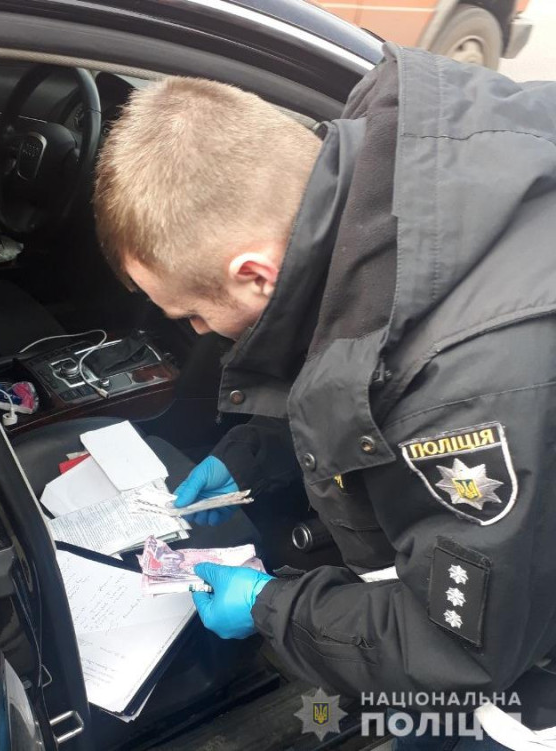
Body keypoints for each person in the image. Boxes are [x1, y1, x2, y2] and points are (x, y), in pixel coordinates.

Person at [93, 44, 556, 749]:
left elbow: (458, 656)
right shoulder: (389, 188)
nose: (198, 332)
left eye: (192, 315)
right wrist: (252, 459)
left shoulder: (463, 398)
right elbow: (357, 368)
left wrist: (269, 606)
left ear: (254, 274)